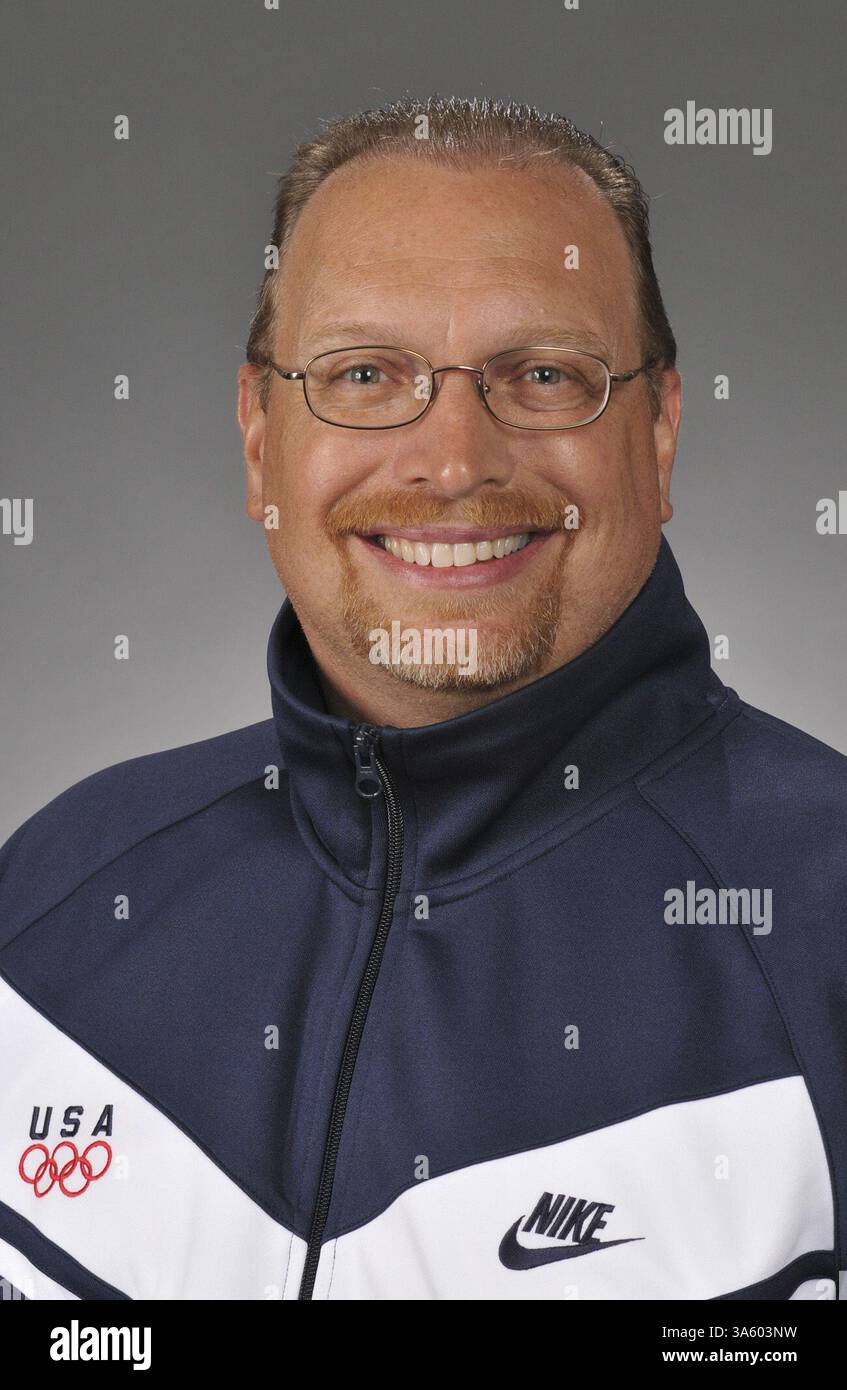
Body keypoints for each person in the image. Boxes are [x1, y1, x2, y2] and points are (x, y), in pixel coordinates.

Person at [1, 95, 844, 1302]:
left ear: (658, 435)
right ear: (258, 439)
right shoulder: (56, 899)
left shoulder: (821, 926)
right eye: (363, 373)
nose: (453, 461)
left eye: (543, 374)